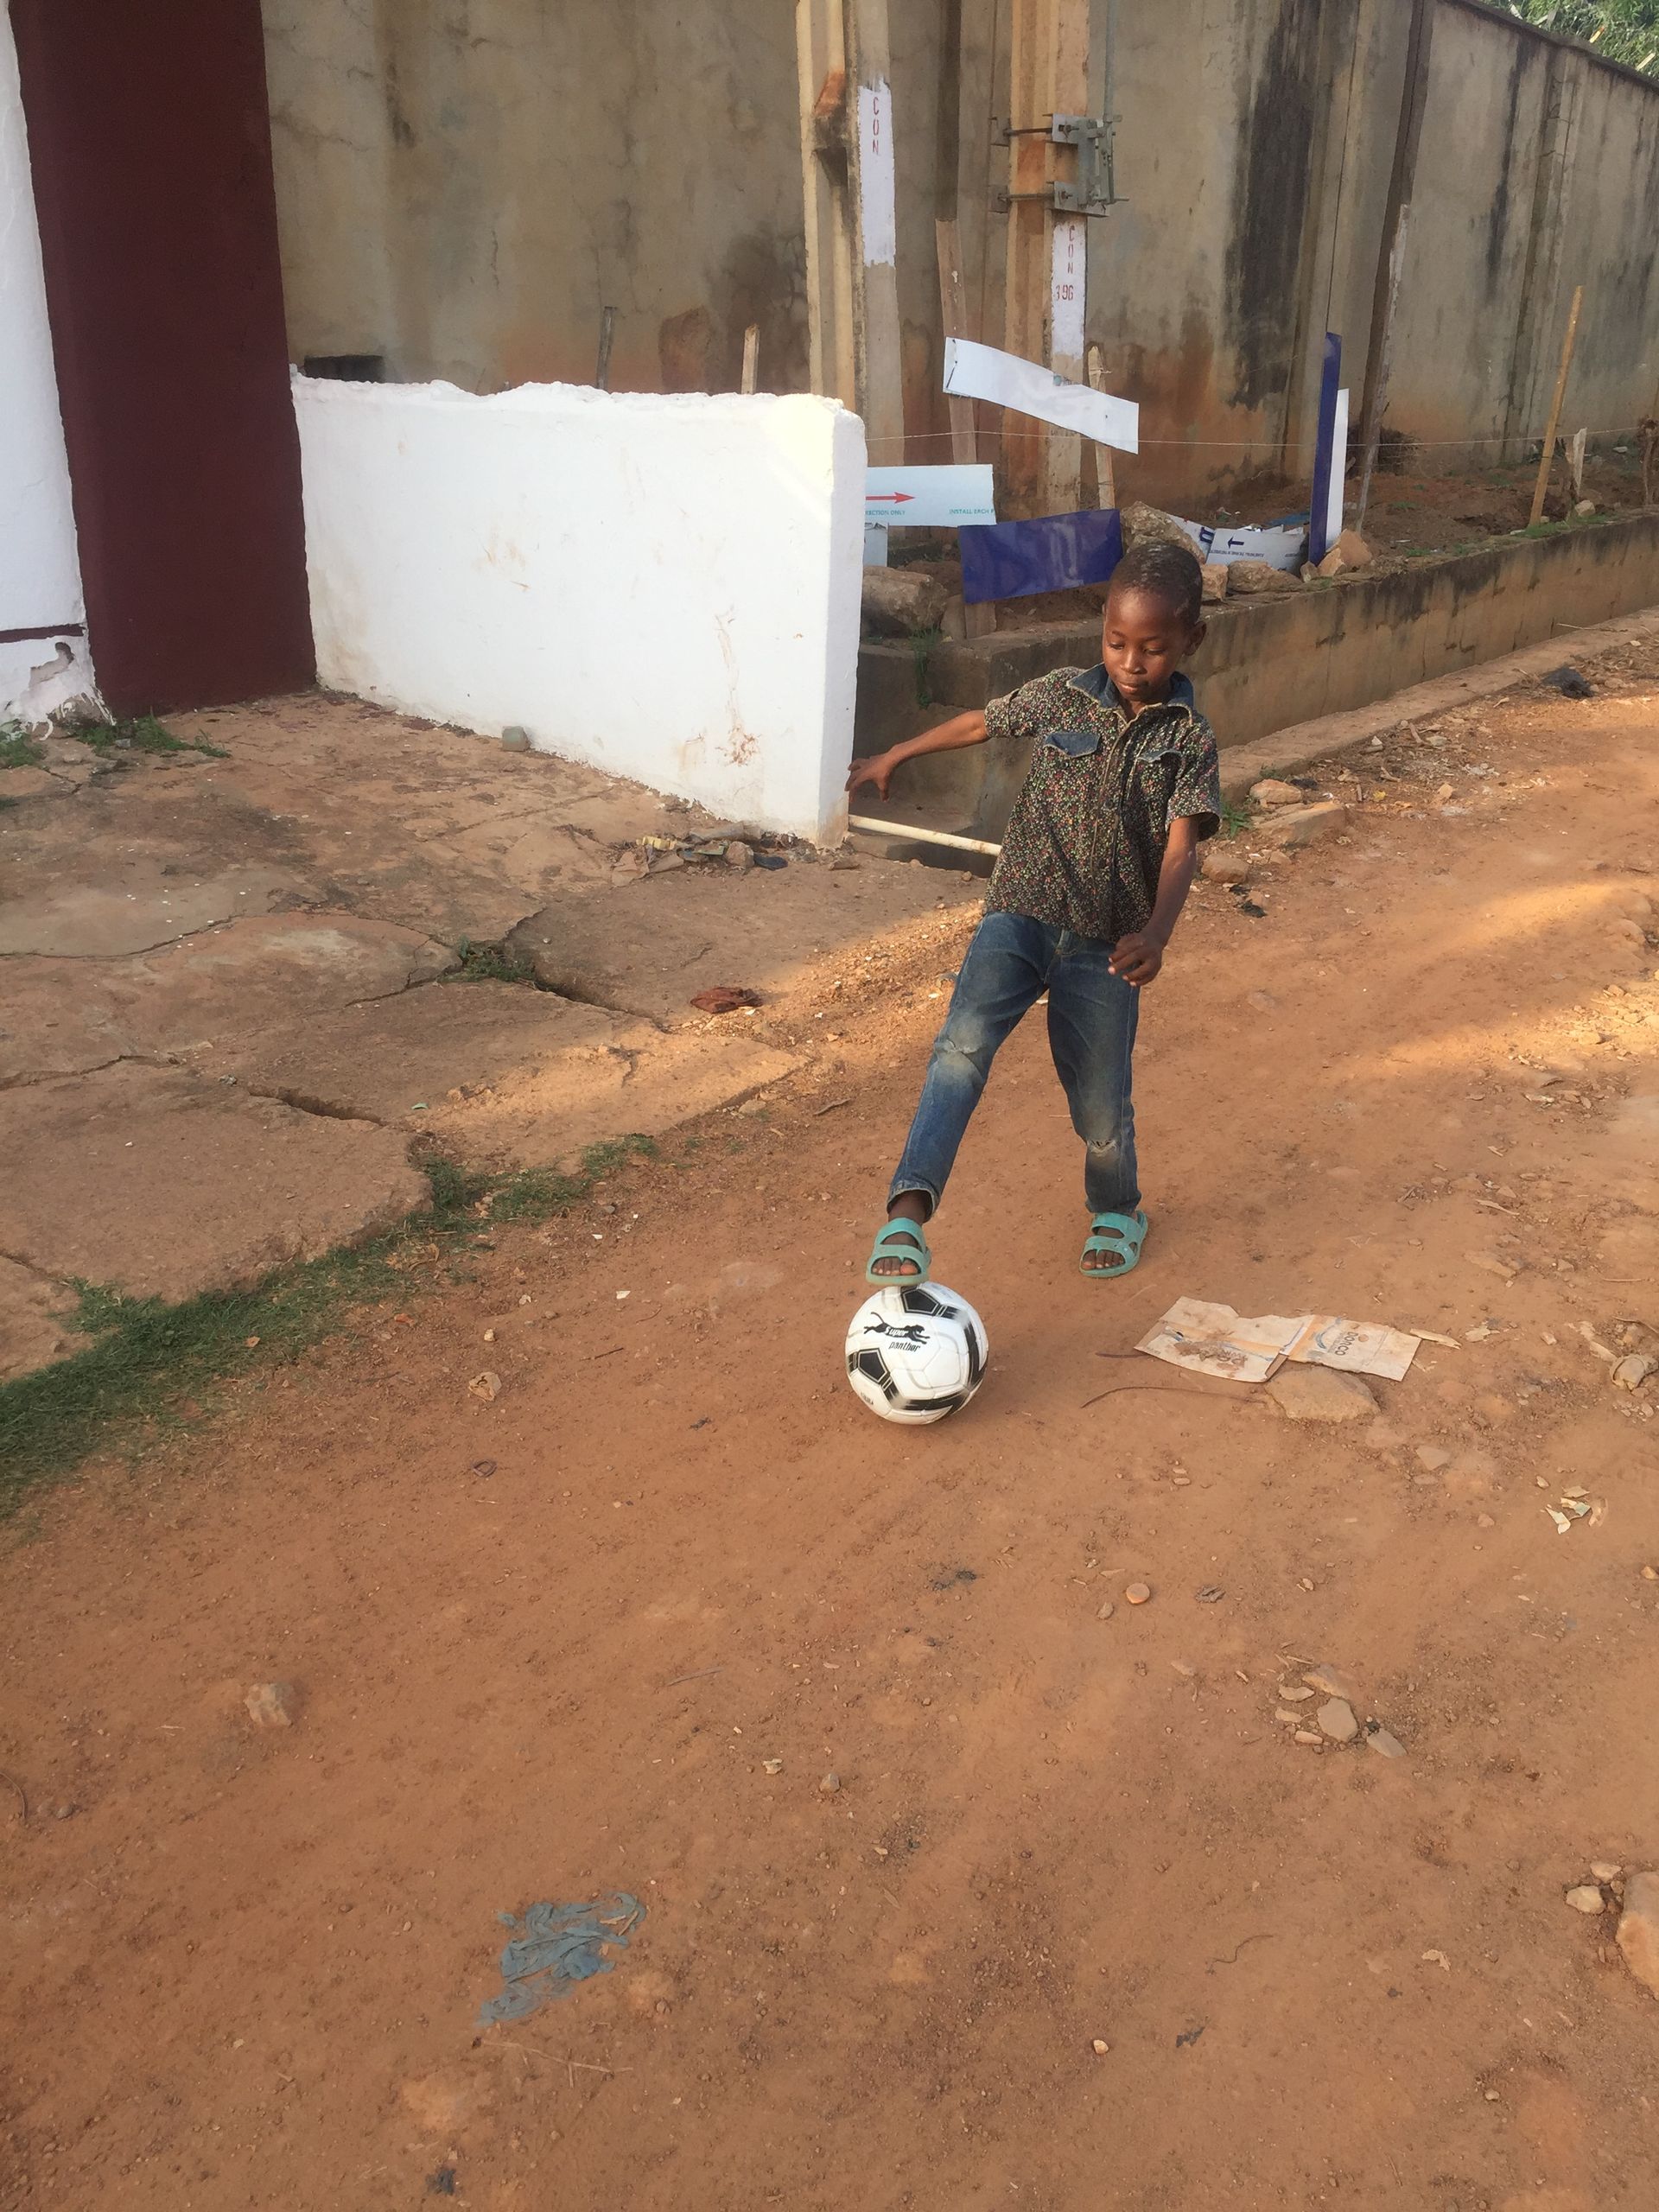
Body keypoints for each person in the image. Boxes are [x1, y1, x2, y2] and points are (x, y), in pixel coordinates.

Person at [847, 537, 1220, 1285]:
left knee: (1100, 1100)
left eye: (1152, 648)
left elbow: (1183, 847)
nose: (1131, 662)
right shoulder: (1062, 695)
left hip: (1106, 944)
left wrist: (1156, 933)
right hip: (1020, 911)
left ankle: (1117, 1208)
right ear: (1102, 633)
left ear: (1191, 641)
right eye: (1116, 642)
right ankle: (906, 1216)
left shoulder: (1189, 740)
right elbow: (980, 722)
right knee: (959, 1051)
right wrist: (896, 753)